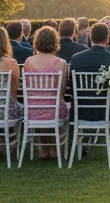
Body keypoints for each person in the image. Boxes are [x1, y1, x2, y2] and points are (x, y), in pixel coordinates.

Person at [69, 22, 110, 160]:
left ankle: (84, 143)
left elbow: (70, 84)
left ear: (90, 38)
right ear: (108, 38)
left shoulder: (76, 59)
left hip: (80, 110)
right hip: (107, 111)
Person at [23, 26, 69, 157]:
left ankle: (44, 149)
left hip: (32, 110)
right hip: (53, 110)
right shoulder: (61, 63)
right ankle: (55, 147)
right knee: (59, 107)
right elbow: (61, 93)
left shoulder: (28, 62)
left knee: (41, 108)